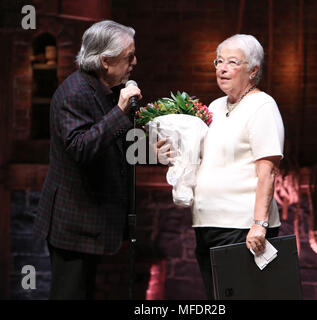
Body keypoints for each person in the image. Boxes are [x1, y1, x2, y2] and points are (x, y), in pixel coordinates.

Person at [158, 34, 284, 299]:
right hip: (207, 224)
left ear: (253, 70)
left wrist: (259, 223)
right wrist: (172, 154)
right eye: (219, 61)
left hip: (242, 228)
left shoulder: (262, 106)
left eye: (232, 62)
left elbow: (268, 170)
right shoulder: (215, 106)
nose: (222, 68)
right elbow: (204, 160)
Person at [34, 20, 141, 299]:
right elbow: (81, 148)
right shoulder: (75, 92)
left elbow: (116, 145)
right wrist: (120, 111)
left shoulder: (105, 89)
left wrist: (154, 151)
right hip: (72, 224)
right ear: (106, 61)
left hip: (93, 222)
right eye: (129, 56)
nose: (134, 62)